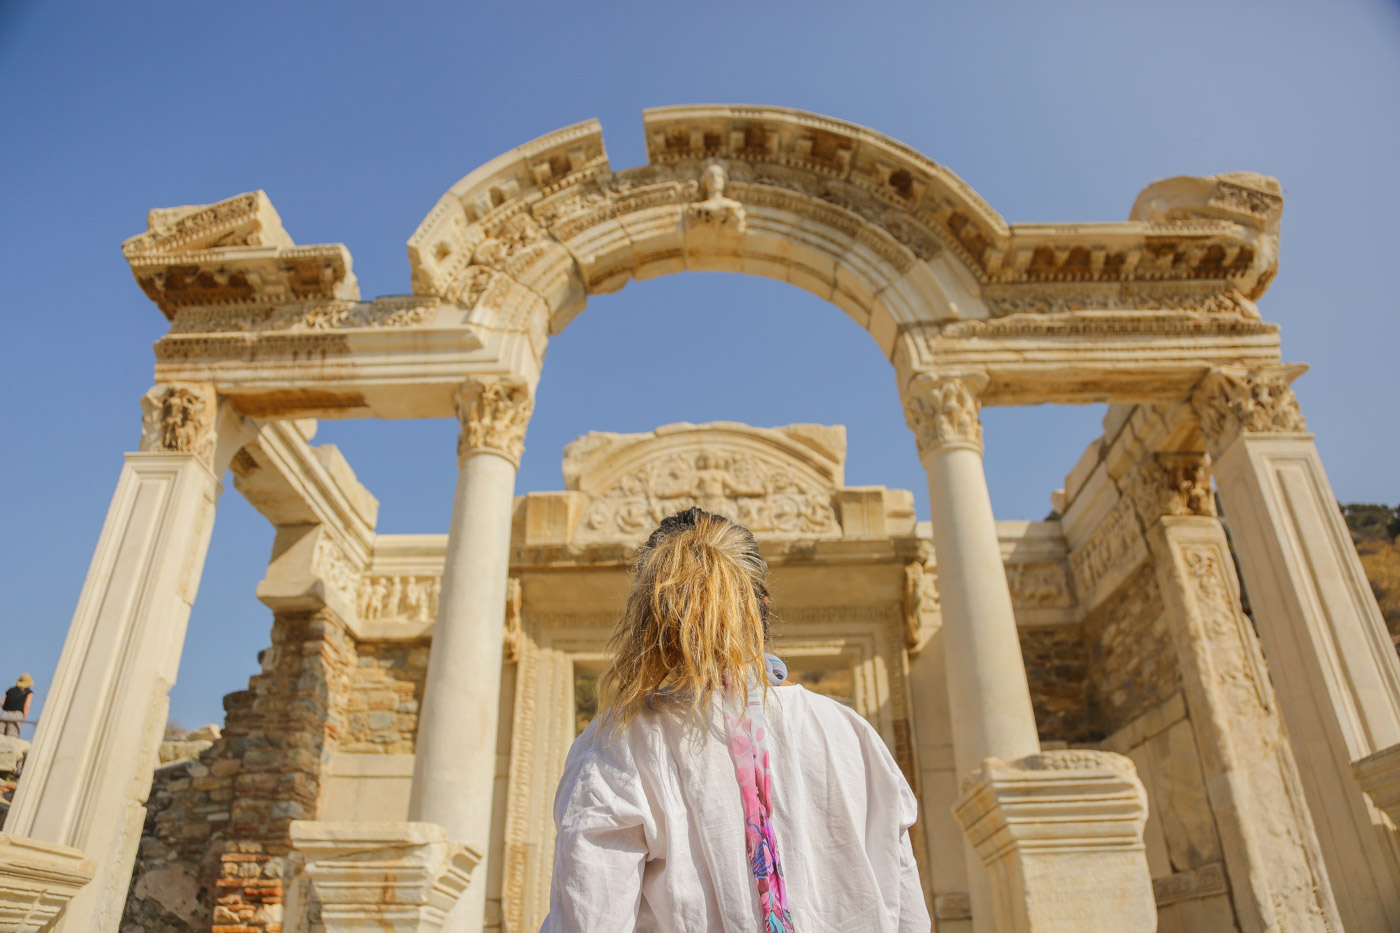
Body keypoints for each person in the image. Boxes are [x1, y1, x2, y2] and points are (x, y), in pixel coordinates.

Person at [541, 508, 930, 932]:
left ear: (650, 617)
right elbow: (909, 913)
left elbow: (588, 919)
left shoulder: (619, 744)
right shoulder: (850, 734)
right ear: (762, 605)